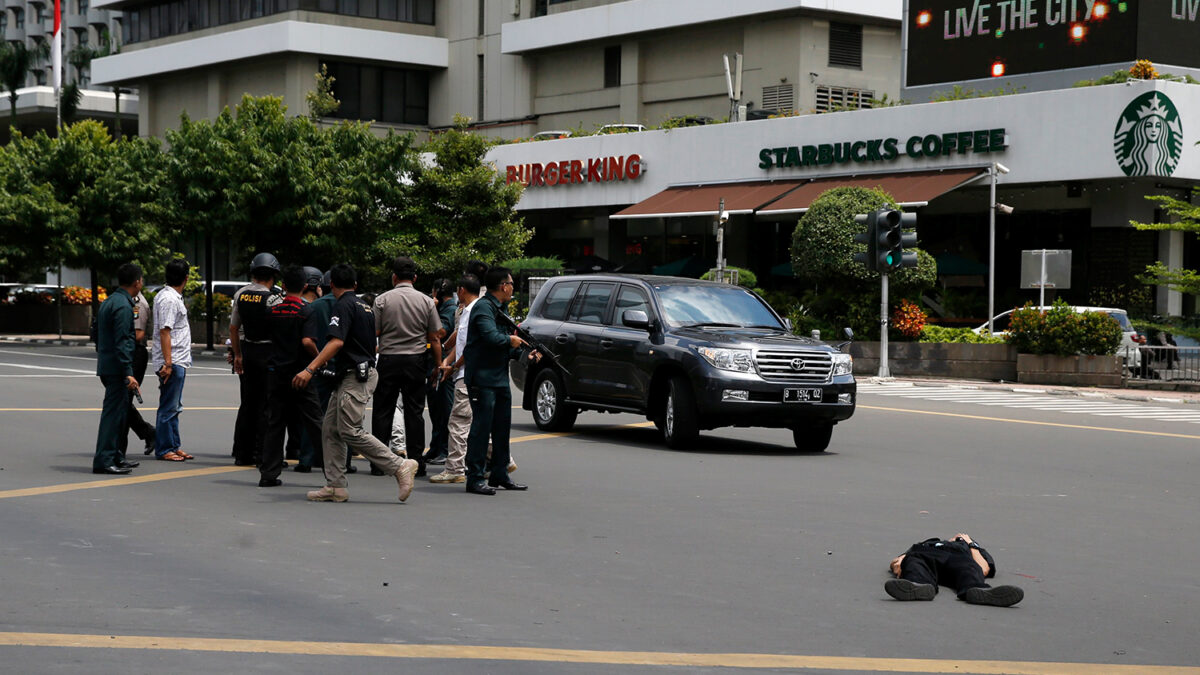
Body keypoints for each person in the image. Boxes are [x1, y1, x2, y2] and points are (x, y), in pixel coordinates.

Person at [292, 263, 418, 503]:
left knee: (350, 430)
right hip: (354, 374)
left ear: (331, 285)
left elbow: (336, 342)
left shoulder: (344, 305)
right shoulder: (365, 306)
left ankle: (399, 465)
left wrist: (310, 369)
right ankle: (335, 486)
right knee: (330, 429)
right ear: (356, 284)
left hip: (355, 376)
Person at [463, 266, 534, 495]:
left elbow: (504, 345)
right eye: (511, 283)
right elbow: (491, 337)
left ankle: (500, 474)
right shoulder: (483, 308)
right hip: (482, 378)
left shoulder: (501, 308)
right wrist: (511, 340)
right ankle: (474, 477)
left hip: (499, 377)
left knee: (502, 428)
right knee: (481, 428)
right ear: (503, 286)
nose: (513, 287)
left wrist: (524, 354)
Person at [370, 256, 442, 478]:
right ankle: (416, 461)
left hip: (389, 359)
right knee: (414, 412)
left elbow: (375, 332)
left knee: (383, 410)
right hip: (415, 360)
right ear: (415, 278)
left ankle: (379, 462)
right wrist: (438, 364)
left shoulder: (382, 300)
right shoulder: (426, 301)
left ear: (394, 277)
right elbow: (435, 336)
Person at [257, 267, 326, 488]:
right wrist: (319, 360)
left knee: (275, 423)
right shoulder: (306, 311)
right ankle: (332, 471)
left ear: (283, 286)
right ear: (305, 286)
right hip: (300, 374)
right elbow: (307, 342)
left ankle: (268, 473)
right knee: (315, 423)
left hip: (277, 373)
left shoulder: (272, 311)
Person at [230, 252, 281, 467]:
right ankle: (262, 455)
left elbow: (234, 328)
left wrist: (237, 355)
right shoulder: (274, 298)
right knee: (266, 405)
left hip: (247, 351)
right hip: (267, 353)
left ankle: (242, 453)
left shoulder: (241, 294)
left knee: (247, 403)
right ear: (273, 275)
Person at [93, 263, 144, 475]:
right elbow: (123, 341)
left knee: (121, 414)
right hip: (117, 369)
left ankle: (116, 456)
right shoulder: (123, 306)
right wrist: (128, 372)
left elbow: (97, 333)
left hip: (108, 365)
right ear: (136, 282)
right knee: (113, 416)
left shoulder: (111, 301)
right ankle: (105, 460)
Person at [430, 275, 480, 484]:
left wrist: (453, 367)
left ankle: (455, 468)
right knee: (477, 421)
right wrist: (446, 357)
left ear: (461, 290)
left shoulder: (472, 311)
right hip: (471, 373)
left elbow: (470, 345)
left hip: (467, 374)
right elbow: (458, 339)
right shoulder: (470, 310)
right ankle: (502, 460)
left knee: (458, 422)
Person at [885, 534, 1024, 607]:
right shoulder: (924, 545)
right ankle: (918, 586)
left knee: (968, 567)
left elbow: (984, 568)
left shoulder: (968, 549)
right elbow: (897, 562)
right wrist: (901, 564)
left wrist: (970, 544)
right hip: (926, 556)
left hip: (958, 559)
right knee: (914, 562)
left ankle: (977, 590)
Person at [151, 258, 194, 462]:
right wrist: (168, 364)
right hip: (173, 360)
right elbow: (165, 332)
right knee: (168, 407)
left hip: (178, 360)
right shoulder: (168, 299)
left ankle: (174, 445)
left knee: (174, 407)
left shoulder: (172, 296)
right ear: (186, 278)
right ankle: (164, 448)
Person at [424, 278, 457, 466]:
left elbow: (440, 332)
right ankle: (436, 446)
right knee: (436, 409)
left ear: (437, 292)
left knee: (445, 409)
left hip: (443, 365)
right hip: (433, 363)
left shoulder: (449, 310)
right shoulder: (441, 309)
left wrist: (430, 309)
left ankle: (444, 449)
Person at [125, 288, 156, 457]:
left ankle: (148, 432)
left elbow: (138, 334)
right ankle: (148, 432)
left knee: (123, 399)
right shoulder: (126, 301)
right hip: (128, 352)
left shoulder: (138, 304)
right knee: (122, 401)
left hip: (135, 353)